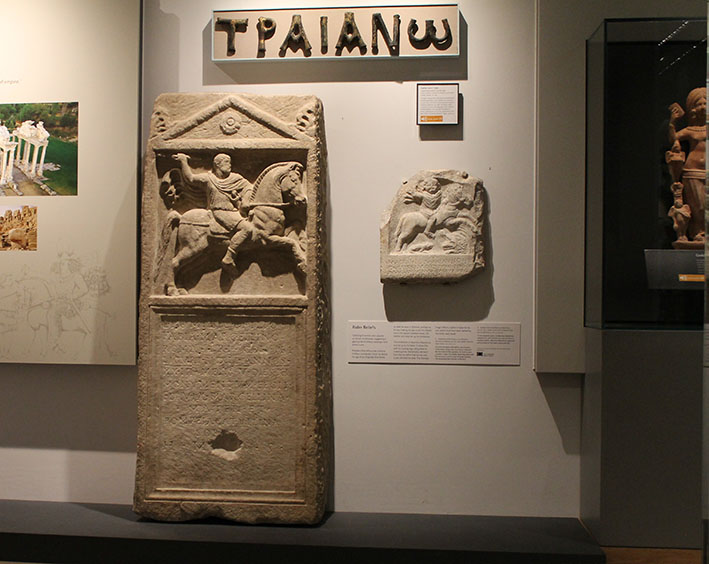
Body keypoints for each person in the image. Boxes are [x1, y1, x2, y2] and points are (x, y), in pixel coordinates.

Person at [172, 152, 254, 268]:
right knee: (247, 228)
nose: (229, 165)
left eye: (230, 162)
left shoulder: (235, 178)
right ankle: (228, 258)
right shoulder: (208, 178)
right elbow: (190, 178)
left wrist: (245, 200)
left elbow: (249, 187)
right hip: (219, 212)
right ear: (217, 165)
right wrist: (183, 161)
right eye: (226, 162)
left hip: (234, 212)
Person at [668, 87, 706, 242]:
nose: (703, 107)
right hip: (692, 171)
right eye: (699, 104)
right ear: (694, 109)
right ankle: (699, 232)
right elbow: (674, 138)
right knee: (698, 206)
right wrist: (672, 122)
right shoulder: (691, 130)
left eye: (706, 103)